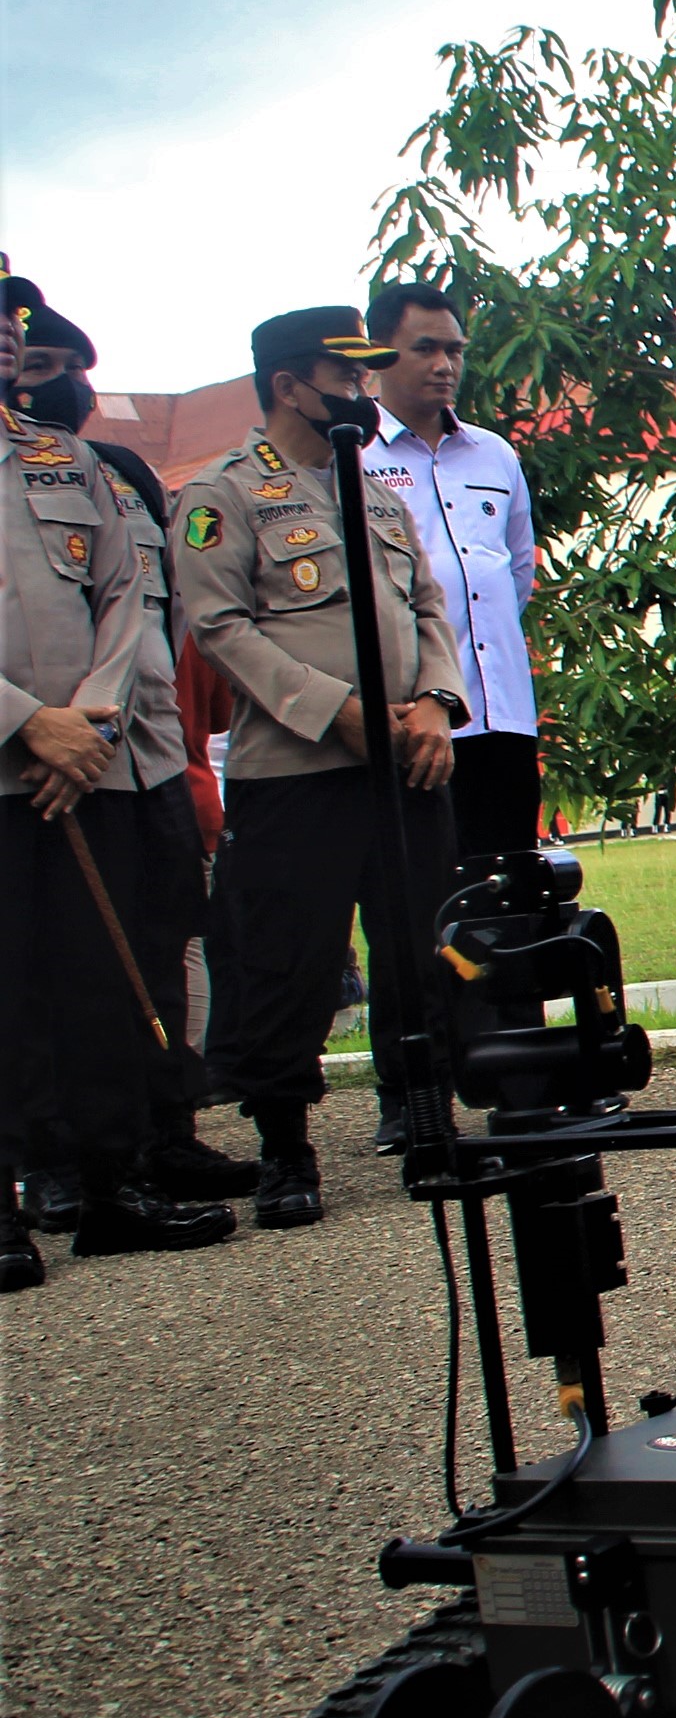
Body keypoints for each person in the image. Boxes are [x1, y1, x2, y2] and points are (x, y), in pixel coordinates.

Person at [172, 307, 467, 1229]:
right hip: (297, 768)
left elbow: (427, 604)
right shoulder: (222, 494)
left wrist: (435, 704)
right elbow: (220, 630)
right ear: (289, 386)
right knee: (285, 962)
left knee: (422, 946)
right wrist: (333, 714)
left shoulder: (376, 490)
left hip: (406, 761)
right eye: (346, 376)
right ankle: (285, 1148)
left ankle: (427, 1116)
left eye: (367, 373)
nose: (363, 390)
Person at [3, 275, 259, 1214]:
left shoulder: (89, 467)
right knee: (24, 985)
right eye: (35, 361)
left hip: (120, 759)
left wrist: (92, 717)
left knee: (127, 968)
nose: (46, 376)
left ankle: (145, 1156)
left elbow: (135, 605)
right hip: (27, 765)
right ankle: (37, 1177)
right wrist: (32, 724)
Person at [360, 283, 545, 855]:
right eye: (425, 349)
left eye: (455, 350)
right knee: (432, 892)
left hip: (503, 712)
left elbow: (516, 573)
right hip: (417, 723)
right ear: (378, 352)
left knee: (512, 888)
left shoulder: (494, 454)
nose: (445, 366)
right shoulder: (353, 456)